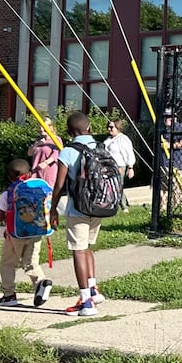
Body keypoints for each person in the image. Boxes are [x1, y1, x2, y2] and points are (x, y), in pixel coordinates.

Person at [51, 112, 106, 317]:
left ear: (69, 132)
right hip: (99, 205)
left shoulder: (68, 152)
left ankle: (86, 302)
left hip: (78, 208)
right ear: (89, 127)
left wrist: (52, 210)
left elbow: (59, 185)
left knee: (78, 251)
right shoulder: (101, 147)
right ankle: (93, 289)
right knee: (87, 247)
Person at [0, 158, 55, 308]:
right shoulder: (38, 188)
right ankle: (41, 282)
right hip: (37, 232)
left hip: (14, 235)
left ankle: (9, 295)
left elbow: (0, 216)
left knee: (8, 263)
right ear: (29, 173)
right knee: (31, 262)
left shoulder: (8, 192)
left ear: (9, 176)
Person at [104, 117, 138, 207]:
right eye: (108, 127)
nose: (109, 129)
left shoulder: (123, 139)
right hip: (109, 165)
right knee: (110, 185)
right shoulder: (108, 139)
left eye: (111, 127)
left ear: (118, 127)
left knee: (118, 185)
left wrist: (130, 167)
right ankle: (119, 203)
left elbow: (129, 153)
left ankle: (123, 206)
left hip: (119, 166)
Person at [160, 107, 182, 202]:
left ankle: (175, 207)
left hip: (176, 163)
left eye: (168, 117)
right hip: (164, 163)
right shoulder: (163, 129)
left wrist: (170, 145)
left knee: (175, 188)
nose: (166, 120)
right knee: (162, 187)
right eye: (165, 117)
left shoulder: (179, 128)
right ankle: (162, 207)